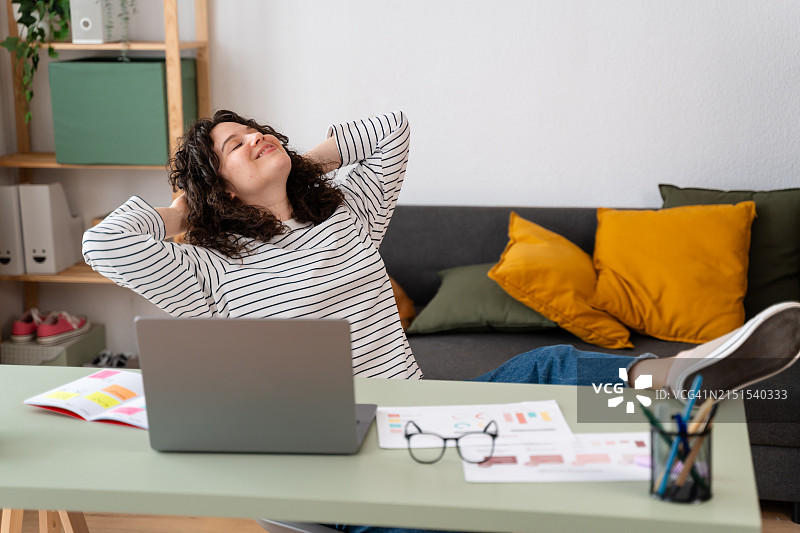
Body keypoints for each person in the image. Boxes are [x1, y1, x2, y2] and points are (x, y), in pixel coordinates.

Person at [83, 109, 800, 533]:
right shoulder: (210, 270)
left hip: (413, 424)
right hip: (316, 456)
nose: (253, 141)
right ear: (218, 183)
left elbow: (390, 128)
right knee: (471, 504)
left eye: (256, 131)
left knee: (548, 364)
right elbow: (103, 243)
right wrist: (193, 203)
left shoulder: (347, 213)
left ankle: (680, 373)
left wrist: (296, 157)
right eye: (231, 148)